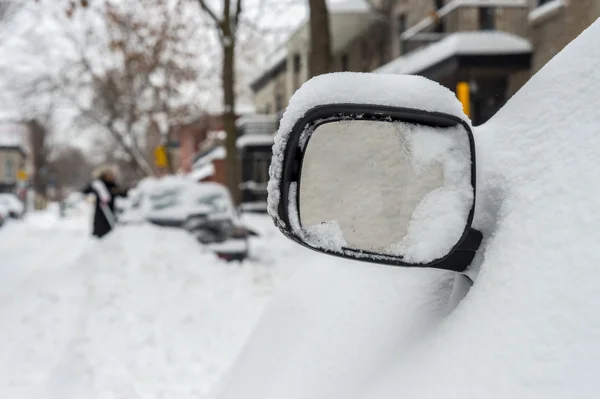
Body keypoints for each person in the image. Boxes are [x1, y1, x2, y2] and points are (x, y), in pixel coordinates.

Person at [83, 165, 128, 238]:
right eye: (109, 174)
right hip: (101, 215)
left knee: (111, 234)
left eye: (112, 174)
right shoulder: (98, 184)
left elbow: (124, 194)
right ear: (104, 175)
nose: (112, 176)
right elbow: (86, 190)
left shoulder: (113, 185)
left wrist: (117, 191)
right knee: (101, 235)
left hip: (111, 213)